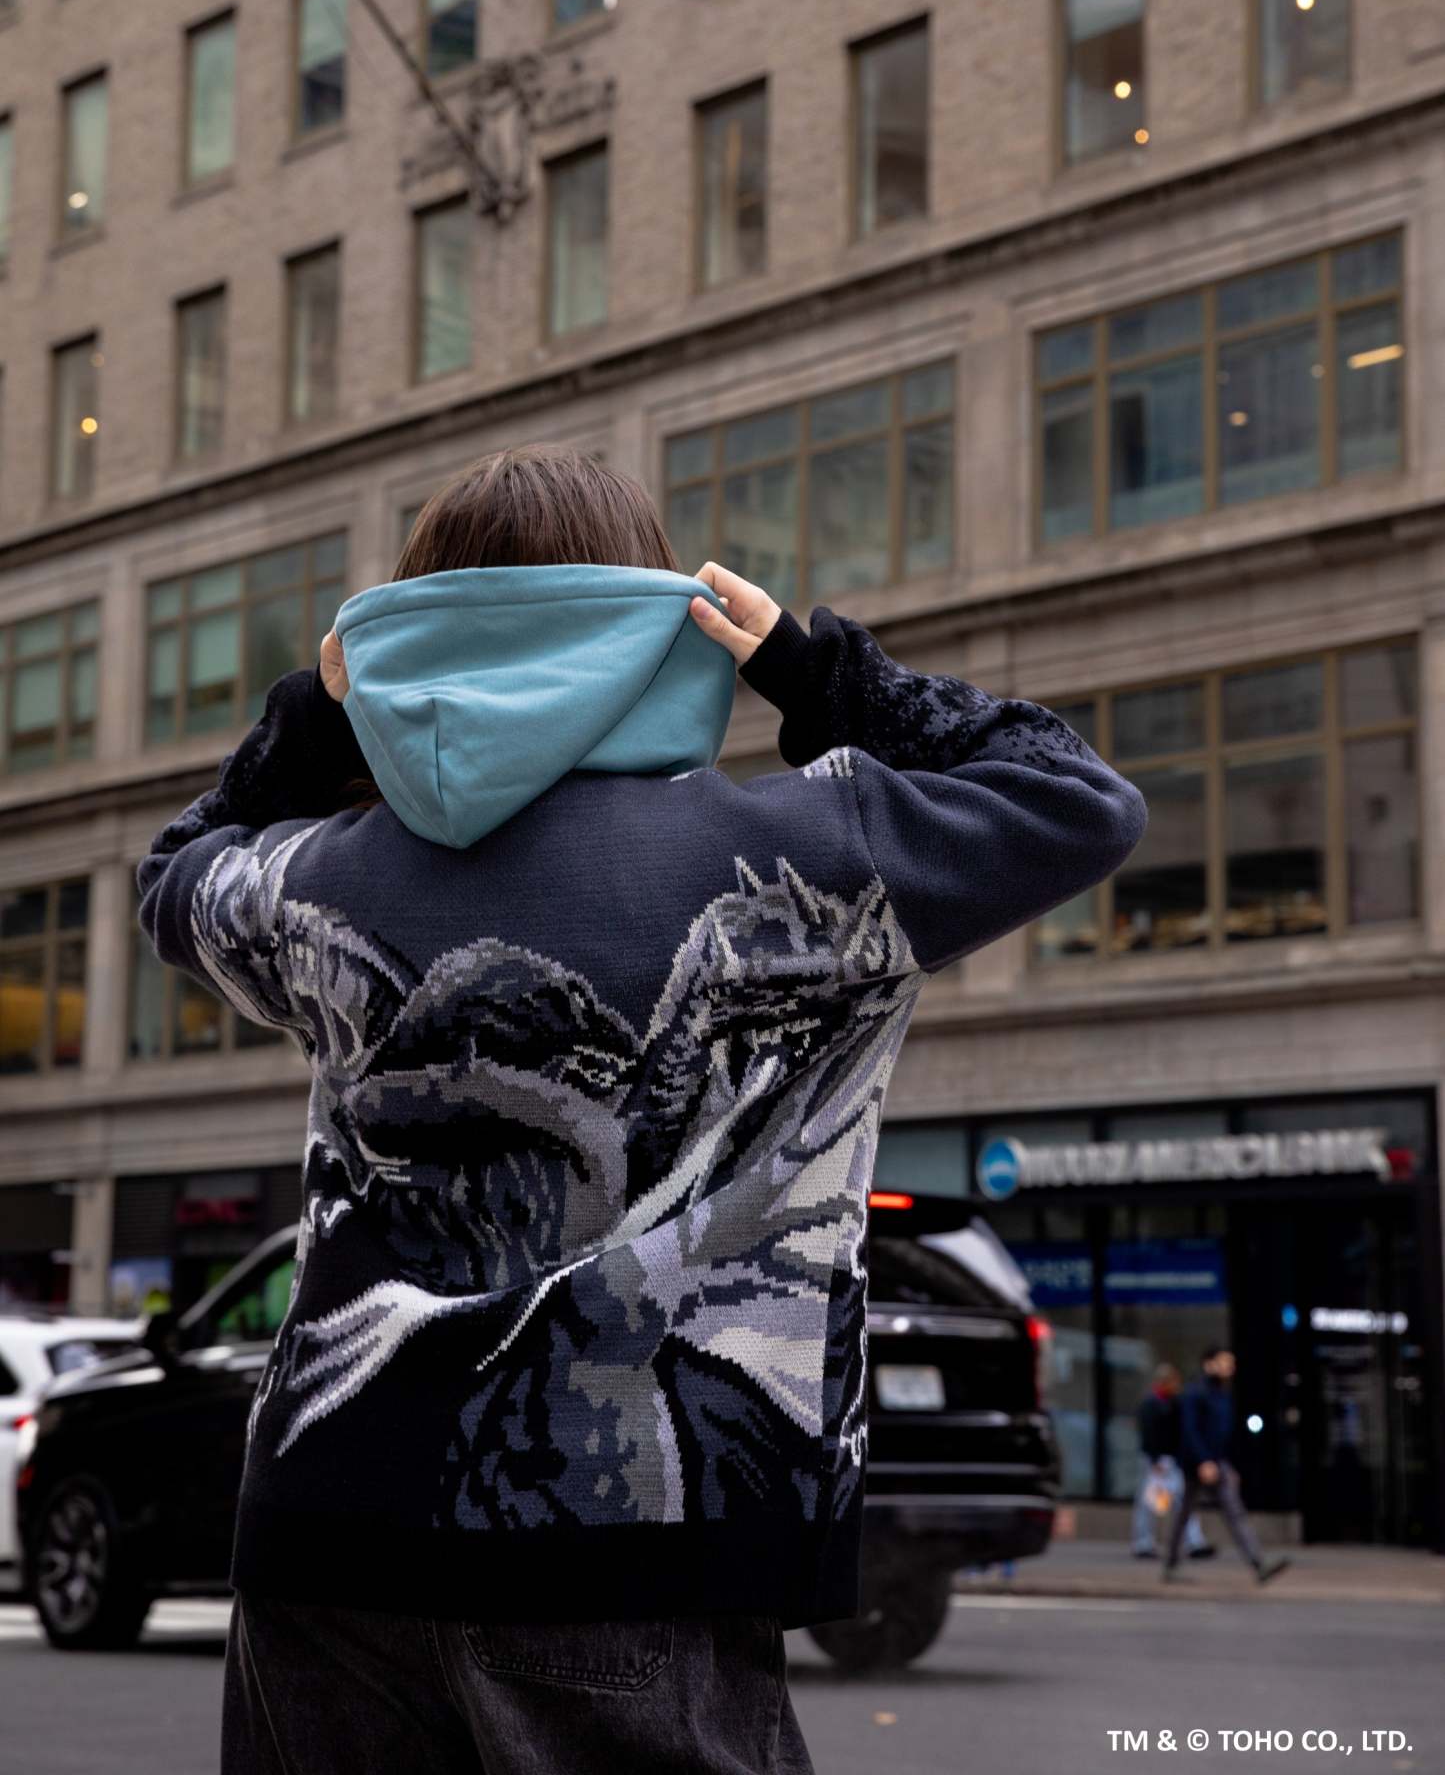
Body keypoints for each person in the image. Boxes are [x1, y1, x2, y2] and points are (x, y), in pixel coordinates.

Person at [135, 444, 1147, 1775]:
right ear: (652, 621)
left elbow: (174, 870)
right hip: (631, 1535)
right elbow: (1076, 796)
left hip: (321, 1543)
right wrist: (811, 669)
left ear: (406, 636)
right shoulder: (804, 855)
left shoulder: (312, 877)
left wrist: (322, 718)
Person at [1163, 1346, 1290, 1586]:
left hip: (1217, 1463)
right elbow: (1190, 1431)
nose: (1230, 1367)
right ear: (1209, 1364)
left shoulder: (1222, 1393)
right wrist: (1203, 1461)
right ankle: (1170, 1564)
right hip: (1196, 1465)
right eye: (1225, 1362)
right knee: (1184, 1514)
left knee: (1234, 1511)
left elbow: (1222, 1433)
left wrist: (1225, 1464)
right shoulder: (1195, 1393)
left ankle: (1258, 1563)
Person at [1131, 1363, 1212, 1560]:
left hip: (1173, 1461)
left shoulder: (1177, 1404)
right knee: (1150, 1503)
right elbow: (1148, 1434)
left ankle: (1194, 1541)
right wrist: (1155, 1459)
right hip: (1156, 1461)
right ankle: (1143, 1542)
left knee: (1183, 1501)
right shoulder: (1150, 1405)